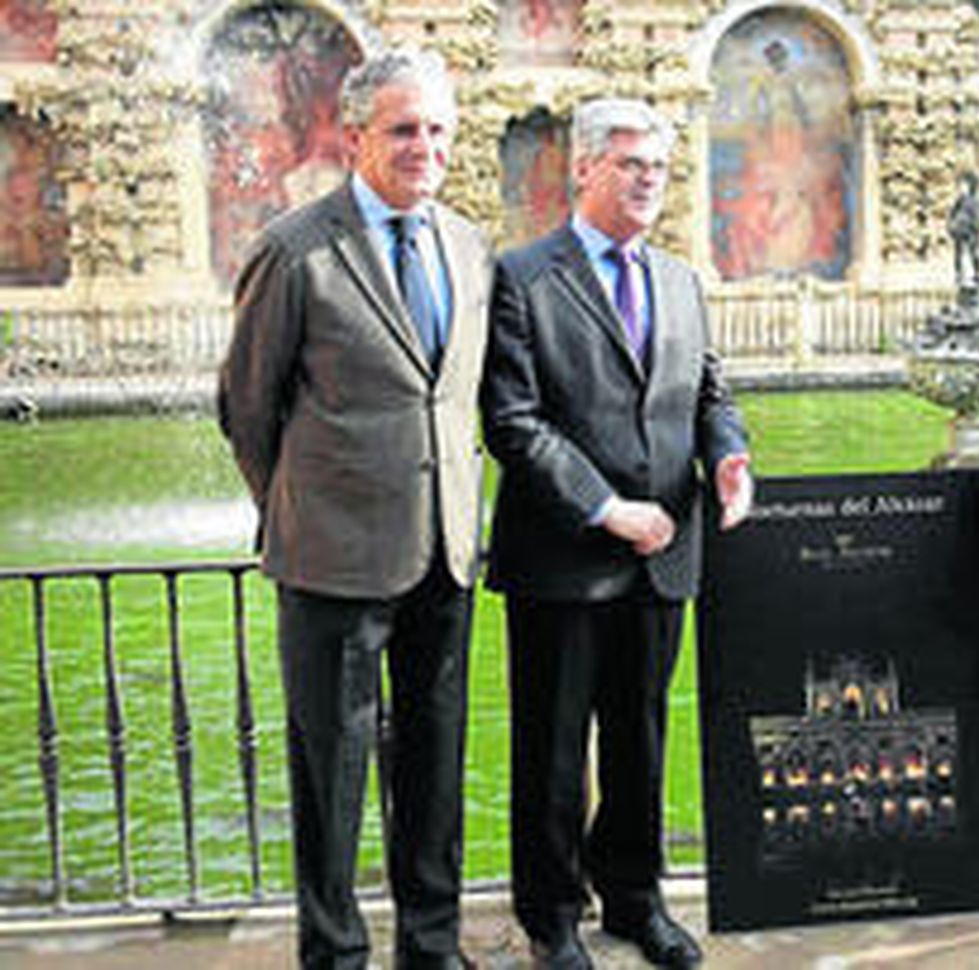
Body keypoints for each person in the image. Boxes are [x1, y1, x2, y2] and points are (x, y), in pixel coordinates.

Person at [218, 48, 489, 969]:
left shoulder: (465, 244)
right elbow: (247, 406)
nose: (426, 147)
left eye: (439, 129)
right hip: (332, 562)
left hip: (446, 555)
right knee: (330, 776)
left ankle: (432, 945)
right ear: (357, 135)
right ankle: (333, 954)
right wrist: (296, 508)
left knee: (435, 767)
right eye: (405, 129)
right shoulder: (296, 248)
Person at [481, 97, 753, 970]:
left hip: (664, 556)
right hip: (565, 557)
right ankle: (552, 916)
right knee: (554, 748)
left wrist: (731, 458)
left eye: (658, 169)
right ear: (586, 168)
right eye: (631, 164)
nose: (647, 181)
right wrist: (607, 507)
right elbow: (514, 423)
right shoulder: (521, 277)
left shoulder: (678, 278)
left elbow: (709, 392)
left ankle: (635, 898)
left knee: (640, 737)